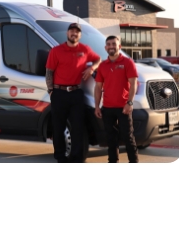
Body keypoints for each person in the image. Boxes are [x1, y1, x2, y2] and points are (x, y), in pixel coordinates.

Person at [46, 22, 101, 163]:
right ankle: (60, 158)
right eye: (71, 31)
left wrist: (92, 68)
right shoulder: (56, 50)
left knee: (78, 128)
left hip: (76, 93)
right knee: (58, 129)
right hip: (59, 93)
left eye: (77, 31)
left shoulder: (85, 49)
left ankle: (77, 159)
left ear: (80, 35)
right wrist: (51, 91)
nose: (74, 33)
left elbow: (98, 59)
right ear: (67, 33)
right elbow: (49, 72)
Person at [94, 35, 139, 163]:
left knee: (128, 138)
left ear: (119, 46)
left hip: (123, 107)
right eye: (109, 44)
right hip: (107, 108)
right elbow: (98, 87)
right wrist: (97, 106)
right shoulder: (102, 66)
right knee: (111, 139)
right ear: (105, 47)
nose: (111, 46)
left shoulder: (127, 62)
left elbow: (133, 84)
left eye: (114, 44)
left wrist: (129, 103)